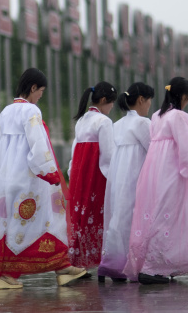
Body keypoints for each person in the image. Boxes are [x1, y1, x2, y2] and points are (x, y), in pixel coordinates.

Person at [123, 77, 188, 284]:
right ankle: (155, 269)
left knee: (164, 217)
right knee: (177, 217)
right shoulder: (178, 116)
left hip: (156, 174)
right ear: (183, 96)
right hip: (174, 175)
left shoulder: (157, 116)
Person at [0, 68, 86, 290]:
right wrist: (50, 173)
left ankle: (7, 273)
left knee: (10, 224)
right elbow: (38, 144)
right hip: (29, 177)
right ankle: (57, 268)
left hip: (6, 176)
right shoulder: (31, 111)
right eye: (40, 91)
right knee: (47, 220)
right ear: (33, 88)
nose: (41, 95)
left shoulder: (6, 111)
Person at [97, 82, 154, 282]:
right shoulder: (143, 123)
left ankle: (114, 264)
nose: (149, 106)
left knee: (119, 219)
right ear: (141, 100)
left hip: (118, 178)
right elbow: (153, 152)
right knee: (137, 218)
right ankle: (138, 265)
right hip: (135, 178)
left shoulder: (118, 124)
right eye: (149, 102)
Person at [67, 81, 117, 271]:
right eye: (111, 103)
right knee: (97, 216)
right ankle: (100, 260)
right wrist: (113, 179)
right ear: (104, 100)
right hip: (95, 176)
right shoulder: (104, 122)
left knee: (80, 216)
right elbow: (108, 155)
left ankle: (78, 262)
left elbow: (74, 151)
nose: (112, 107)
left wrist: (73, 175)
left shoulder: (82, 120)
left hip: (80, 176)